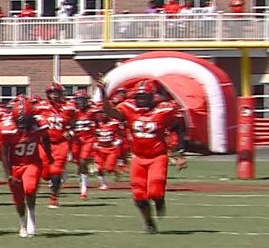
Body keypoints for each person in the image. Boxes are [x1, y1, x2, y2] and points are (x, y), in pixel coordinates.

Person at [100, 80, 188, 233]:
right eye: (138, 97)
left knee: (155, 191)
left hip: (157, 156)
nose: (140, 100)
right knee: (139, 196)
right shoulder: (129, 108)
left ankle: (159, 200)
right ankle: (149, 222)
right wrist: (103, 94)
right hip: (138, 158)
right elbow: (110, 112)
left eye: (144, 97)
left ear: (151, 97)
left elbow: (179, 126)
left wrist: (179, 152)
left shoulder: (164, 109)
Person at [0, 95, 52, 237]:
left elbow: (46, 138)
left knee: (30, 188)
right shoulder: (7, 129)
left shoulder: (39, 124)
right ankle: (22, 223)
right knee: (18, 199)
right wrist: (8, 174)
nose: (23, 128)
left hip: (31, 163)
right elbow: (4, 154)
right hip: (15, 165)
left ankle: (31, 217)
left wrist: (49, 155)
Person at [35, 83, 75, 208]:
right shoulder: (40, 107)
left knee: (56, 171)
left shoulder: (69, 108)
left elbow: (76, 122)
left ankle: (54, 197)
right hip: (44, 143)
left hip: (60, 143)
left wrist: (71, 132)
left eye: (56, 93)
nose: (54, 96)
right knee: (45, 174)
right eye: (52, 93)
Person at [69, 89, 97, 200]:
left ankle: (84, 188)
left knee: (83, 160)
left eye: (82, 100)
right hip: (76, 140)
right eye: (78, 100)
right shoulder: (73, 112)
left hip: (88, 139)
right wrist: (70, 131)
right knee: (78, 162)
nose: (80, 102)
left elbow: (101, 121)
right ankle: (82, 176)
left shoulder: (92, 111)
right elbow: (68, 124)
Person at [93, 106, 125, 190]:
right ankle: (103, 183)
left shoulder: (115, 123)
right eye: (99, 113)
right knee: (99, 168)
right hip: (100, 149)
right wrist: (94, 142)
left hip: (111, 148)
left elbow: (122, 133)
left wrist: (118, 140)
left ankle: (116, 171)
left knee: (109, 169)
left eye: (103, 113)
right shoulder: (95, 124)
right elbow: (91, 134)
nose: (101, 115)